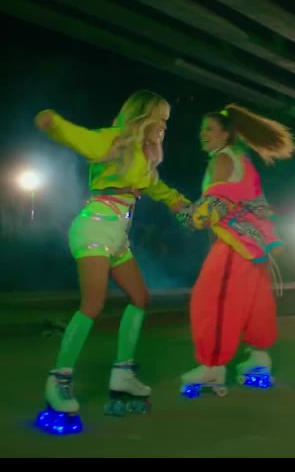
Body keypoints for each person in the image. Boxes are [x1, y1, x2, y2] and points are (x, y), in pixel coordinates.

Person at [34, 90, 190, 433]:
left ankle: (123, 373)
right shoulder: (114, 139)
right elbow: (83, 140)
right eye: (161, 118)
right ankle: (58, 380)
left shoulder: (142, 157)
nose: (164, 126)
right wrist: (54, 123)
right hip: (95, 226)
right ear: (143, 116)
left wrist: (183, 206)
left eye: (167, 120)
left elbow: (157, 188)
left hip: (117, 236)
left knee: (140, 298)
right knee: (93, 303)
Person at [178, 104, 295, 396]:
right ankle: (258, 361)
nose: (203, 134)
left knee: (211, 301)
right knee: (255, 303)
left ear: (226, 134)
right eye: (201, 129)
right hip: (255, 246)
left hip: (235, 245)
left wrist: (183, 213)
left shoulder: (222, 159)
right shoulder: (243, 159)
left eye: (209, 129)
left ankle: (213, 368)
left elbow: (211, 208)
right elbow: (254, 205)